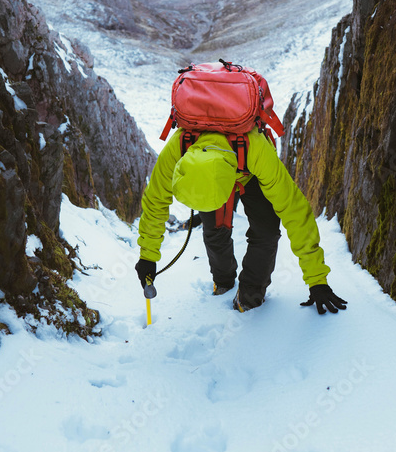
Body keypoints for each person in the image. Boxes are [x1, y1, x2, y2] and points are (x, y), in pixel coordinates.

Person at [134, 126, 347, 314]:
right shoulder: (177, 149)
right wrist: (148, 256)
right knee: (215, 229)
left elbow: (296, 212)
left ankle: (250, 296)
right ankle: (223, 282)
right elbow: (155, 203)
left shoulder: (257, 150)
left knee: (266, 231)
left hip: (251, 172)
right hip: (221, 168)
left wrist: (317, 280)